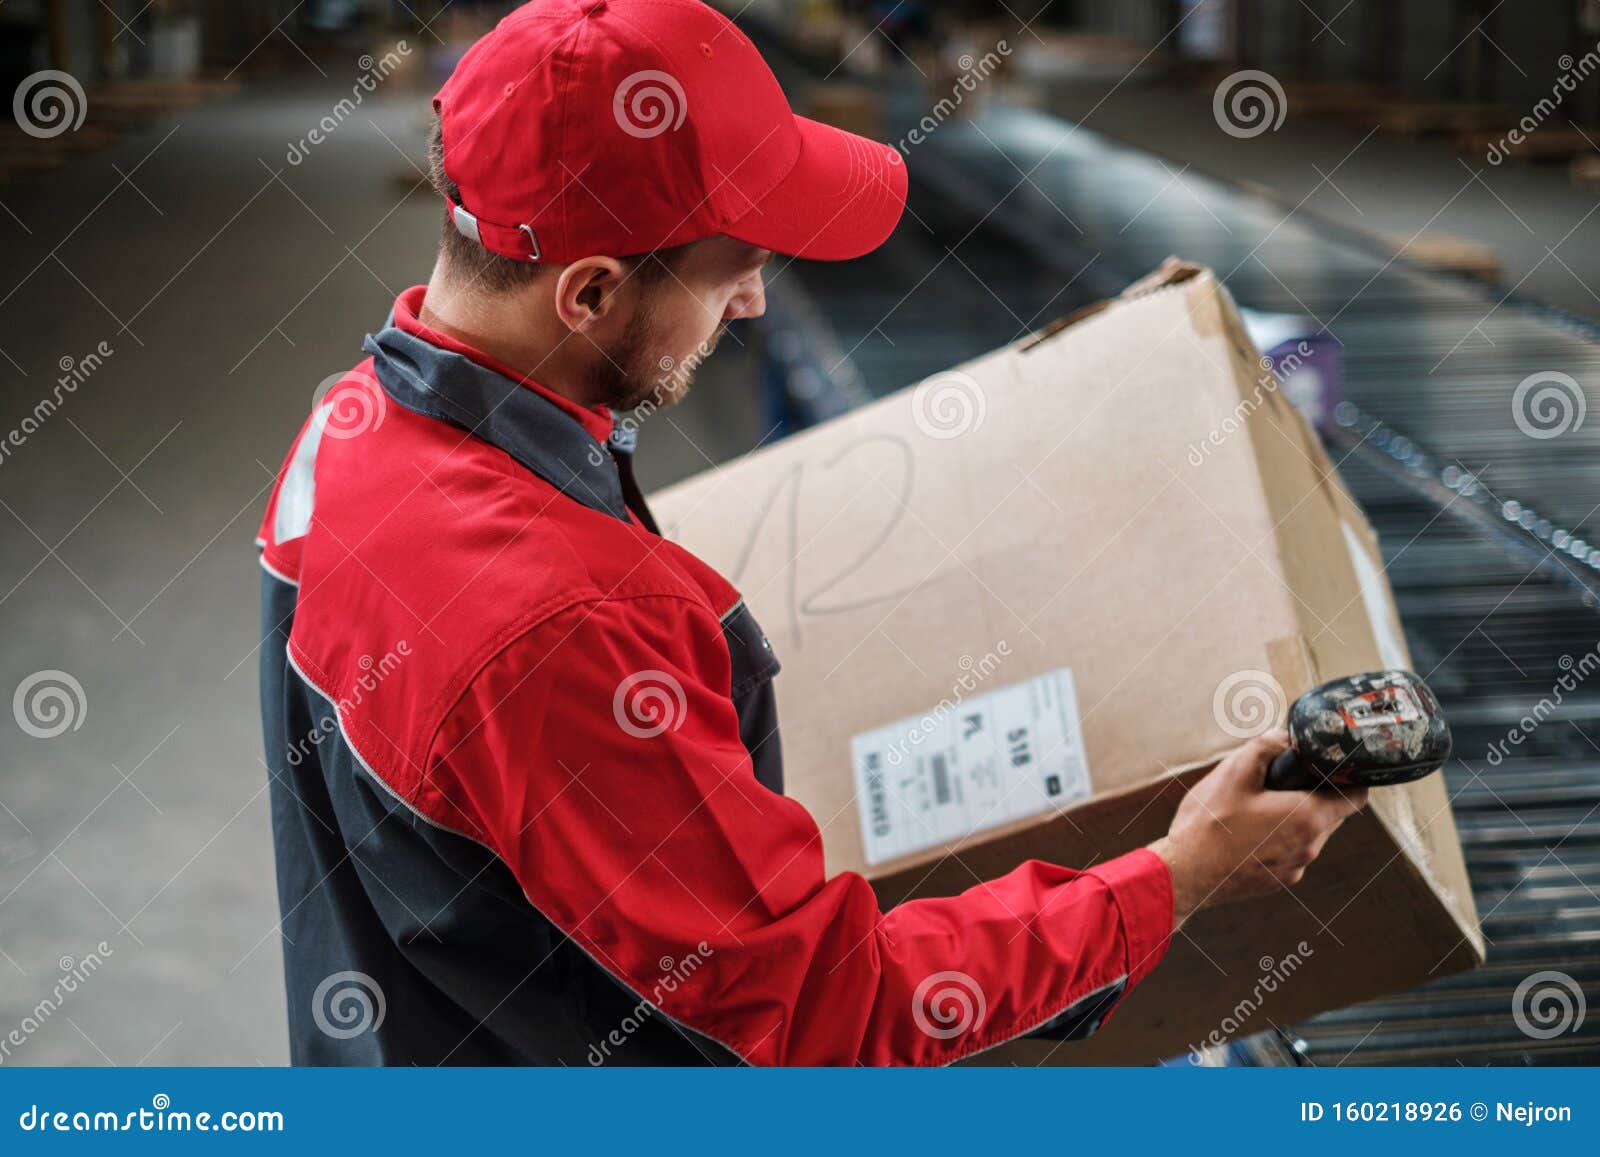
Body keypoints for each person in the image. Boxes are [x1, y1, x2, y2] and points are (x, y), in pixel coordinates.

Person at [256, 0, 1364, 1066]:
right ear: (588, 293)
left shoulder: (350, 429)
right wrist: (1182, 873)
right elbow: (832, 1015)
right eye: (734, 270)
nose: (753, 307)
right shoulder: (567, 625)